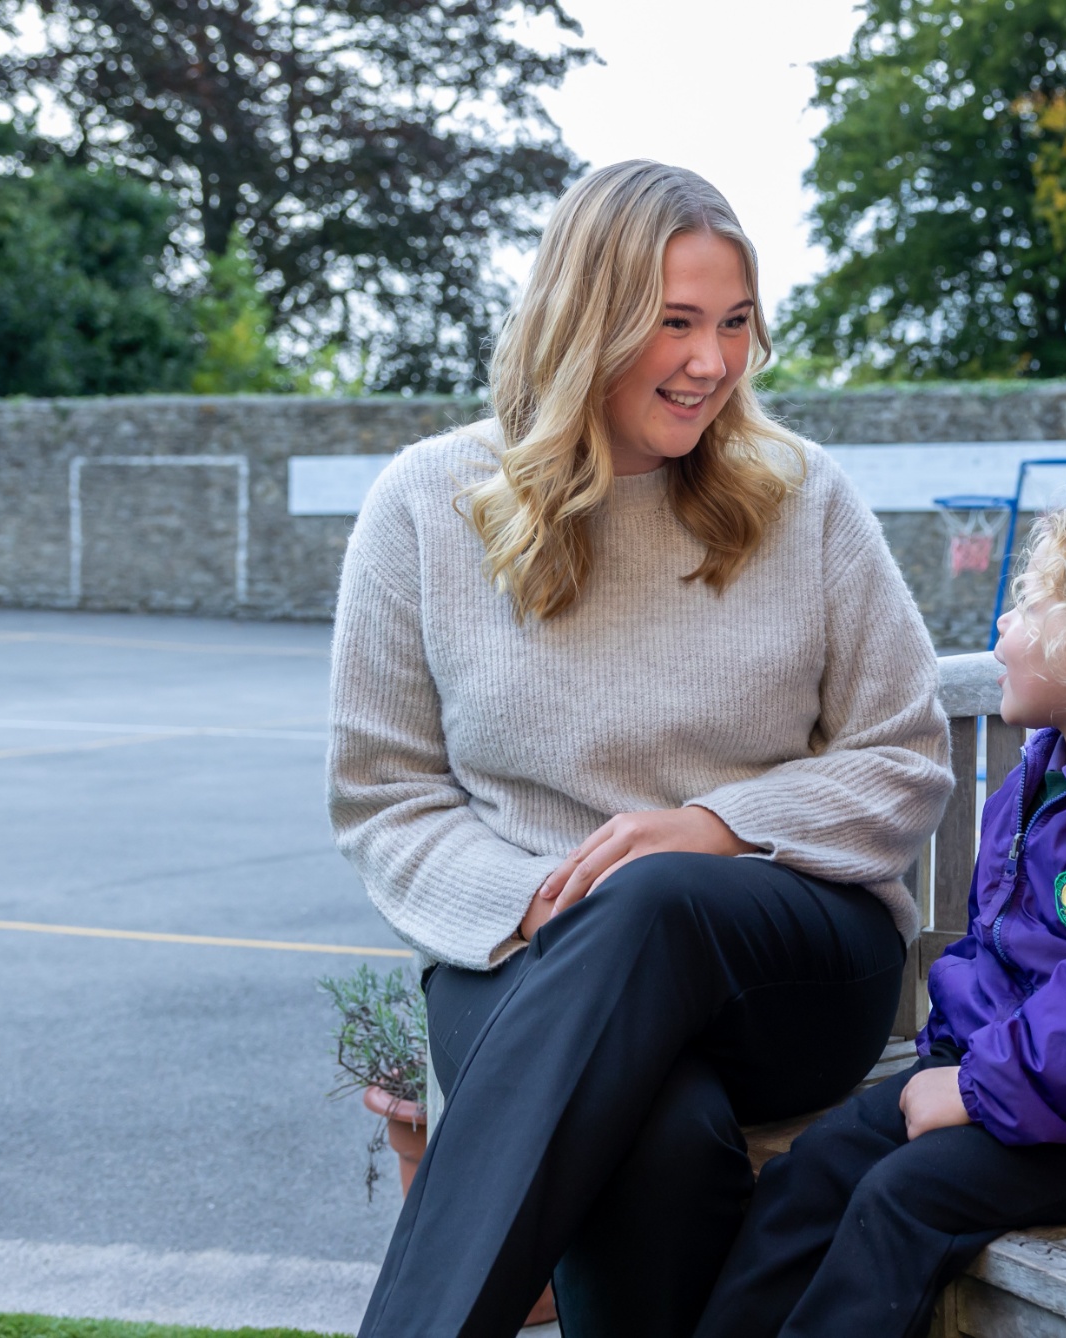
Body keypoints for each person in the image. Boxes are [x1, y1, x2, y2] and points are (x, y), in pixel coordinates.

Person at [329, 160, 953, 1338]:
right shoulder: (425, 503)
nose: (711, 362)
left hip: (790, 952)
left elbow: (905, 755)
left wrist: (718, 829)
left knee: (659, 893)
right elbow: (385, 798)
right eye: (673, 324)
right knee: (657, 1130)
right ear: (585, 320)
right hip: (524, 953)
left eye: (732, 324)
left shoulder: (801, 496)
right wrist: (549, 904)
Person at [692, 479, 1066, 1338]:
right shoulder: (1046, 777)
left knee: (904, 1199)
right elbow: (999, 953)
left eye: (1026, 610)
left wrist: (978, 1090)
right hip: (1022, 1083)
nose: (1001, 630)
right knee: (822, 1164)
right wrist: (954, 1069)